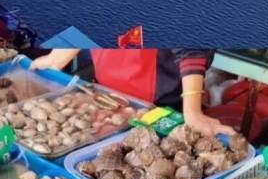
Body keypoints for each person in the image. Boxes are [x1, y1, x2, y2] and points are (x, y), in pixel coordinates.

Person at [32, 48, 231, 139]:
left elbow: (192, 49)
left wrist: (193, 112)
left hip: (159, 103)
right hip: (108, 95)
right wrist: (55, 58)